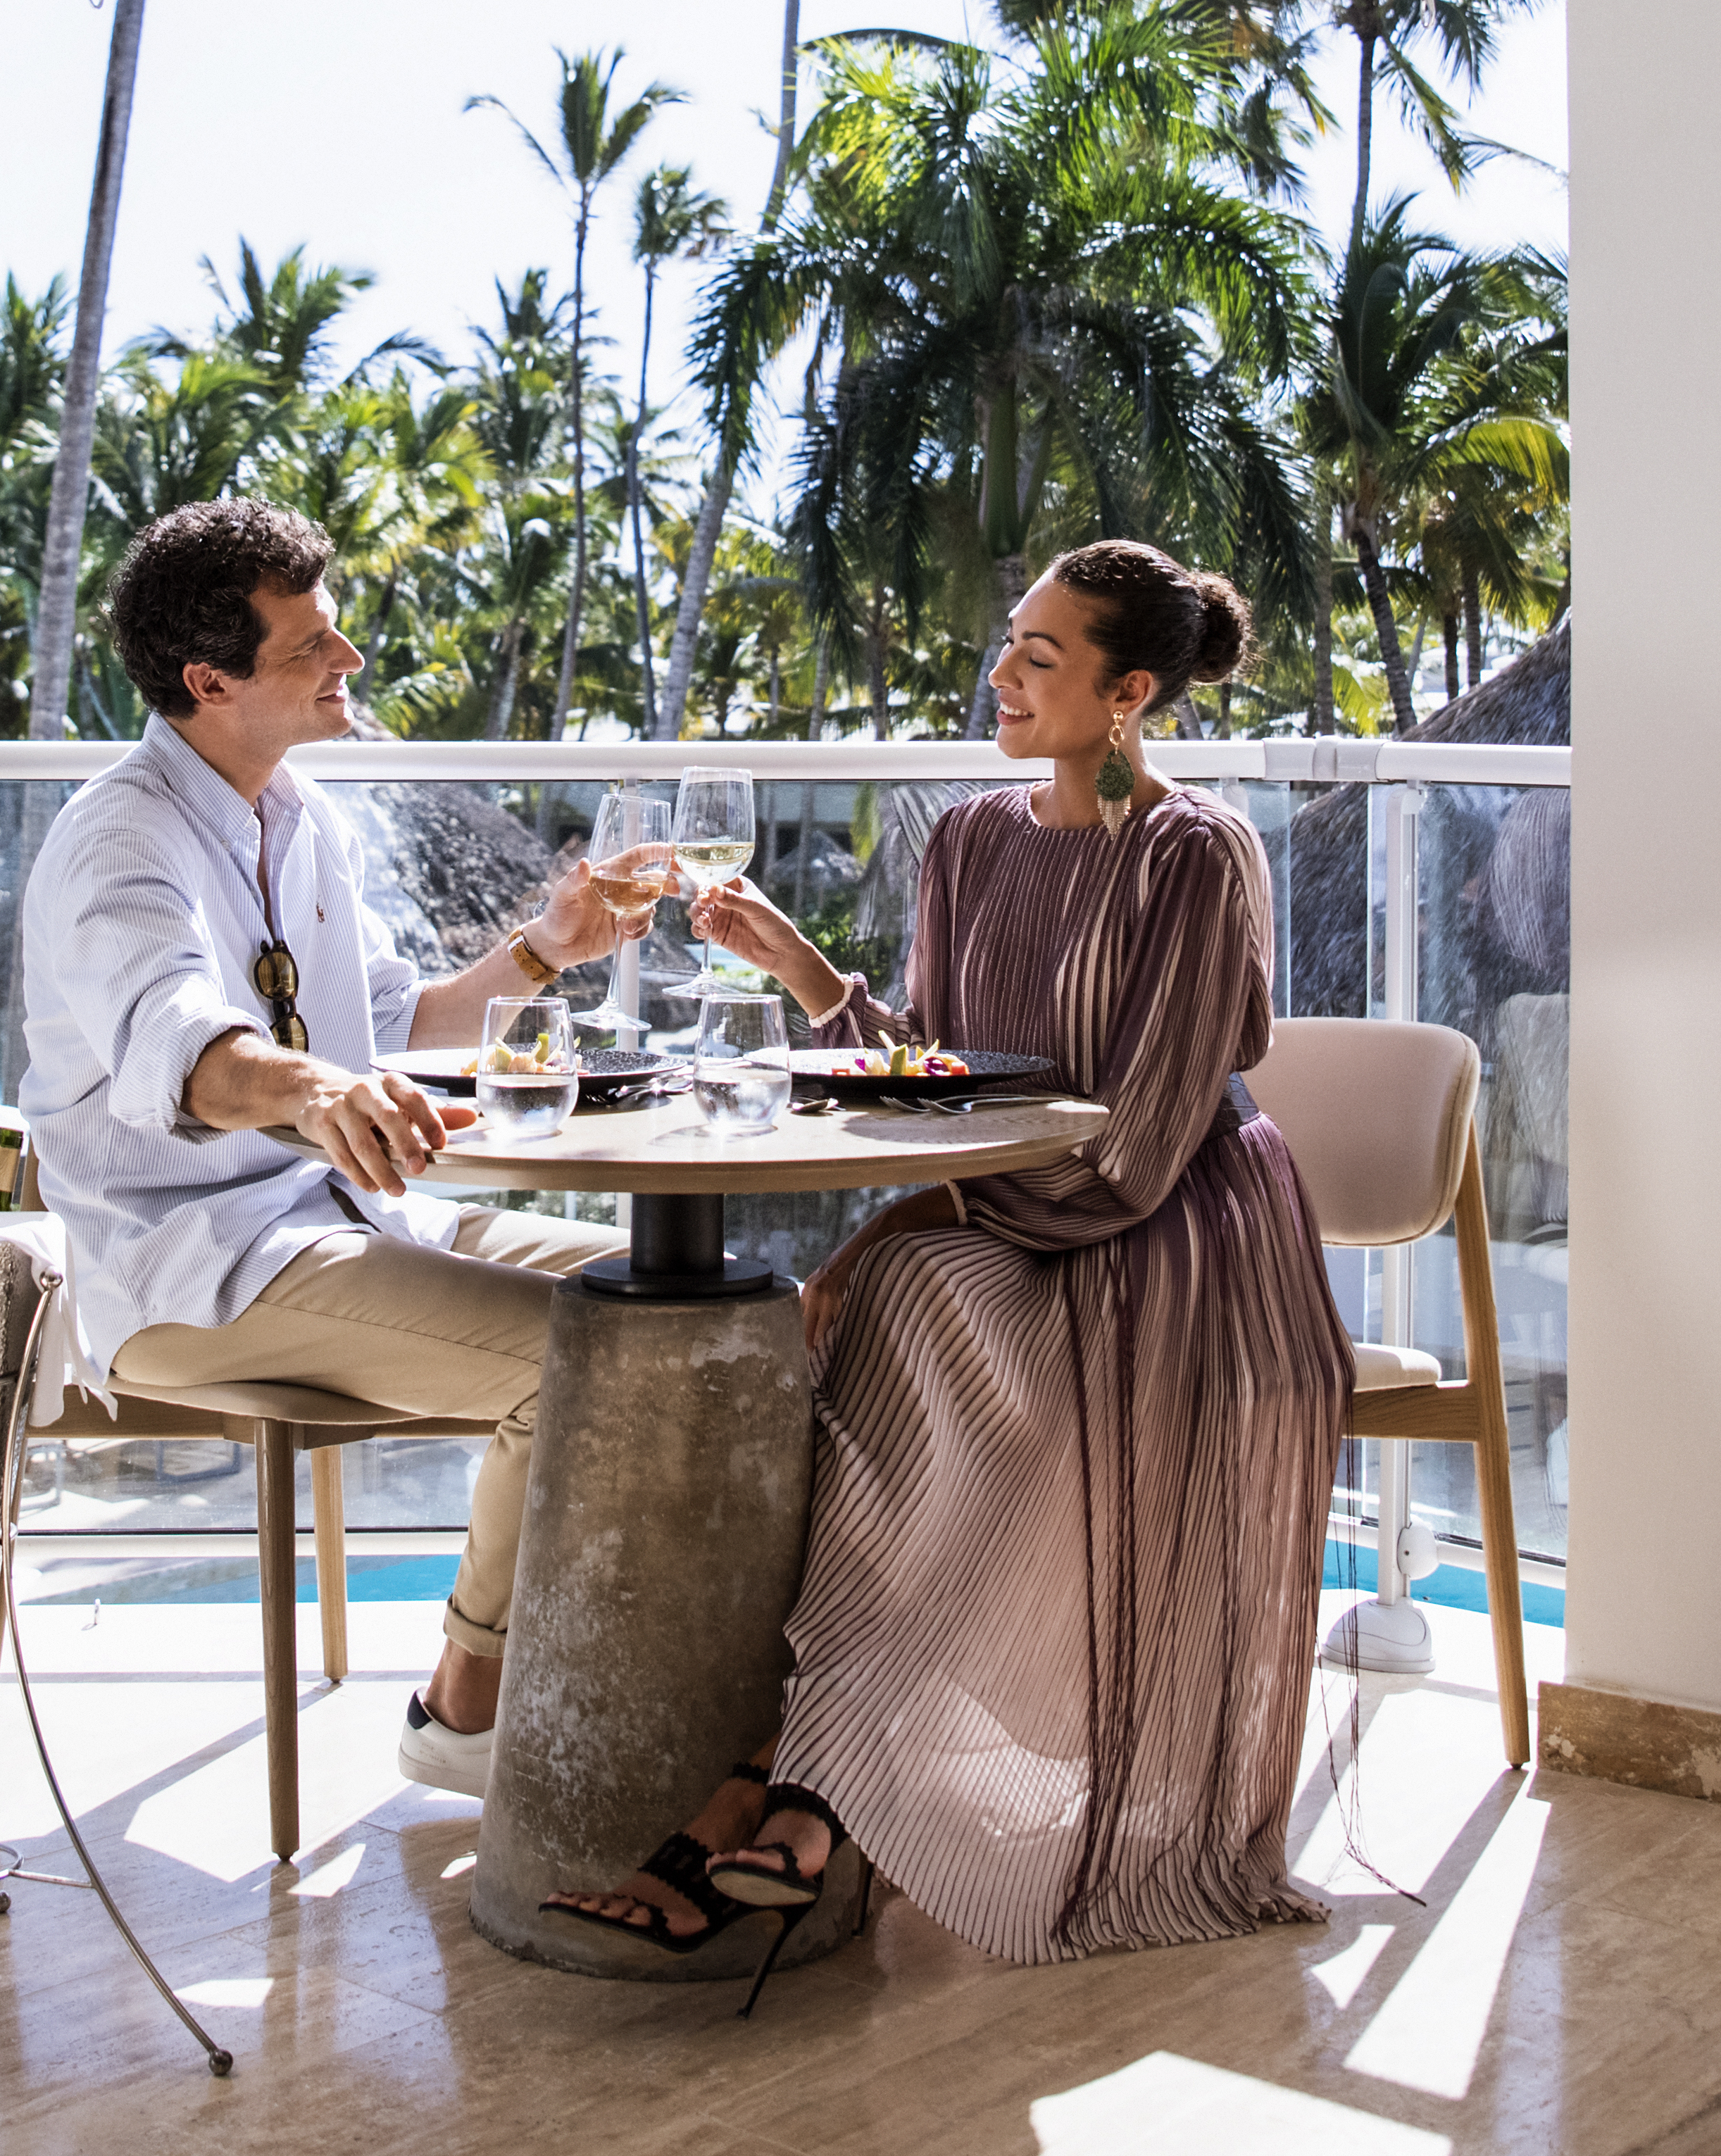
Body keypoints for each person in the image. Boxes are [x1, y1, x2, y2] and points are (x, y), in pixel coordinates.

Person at [545, 538, 1352, 1967]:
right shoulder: (969, 838)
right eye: (1005, 645)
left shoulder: (1195, 853)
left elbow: (1139, 1141)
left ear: (1129, 693)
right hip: (1012, 1214)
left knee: (905, 1288)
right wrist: (799, 968)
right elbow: (936, 1075)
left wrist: (915, 1215)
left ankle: (787, 1777)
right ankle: (811, 1783)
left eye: (1040, 657)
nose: (1000, 675)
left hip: (1177, 1229)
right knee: (904, 1305)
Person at [20, 499, 634, 1793]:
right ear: (209, 681)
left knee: (692, 1304)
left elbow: (393, 1023)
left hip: (359, 1216)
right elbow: (187, 1049)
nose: (348, 658)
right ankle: (467, 1708)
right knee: (578, 1359)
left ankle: (667, 1688)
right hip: (198, 1267)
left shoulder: (303, 818)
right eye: (311, 645)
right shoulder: (119, 842)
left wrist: (544, 951)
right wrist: (311, 1095)